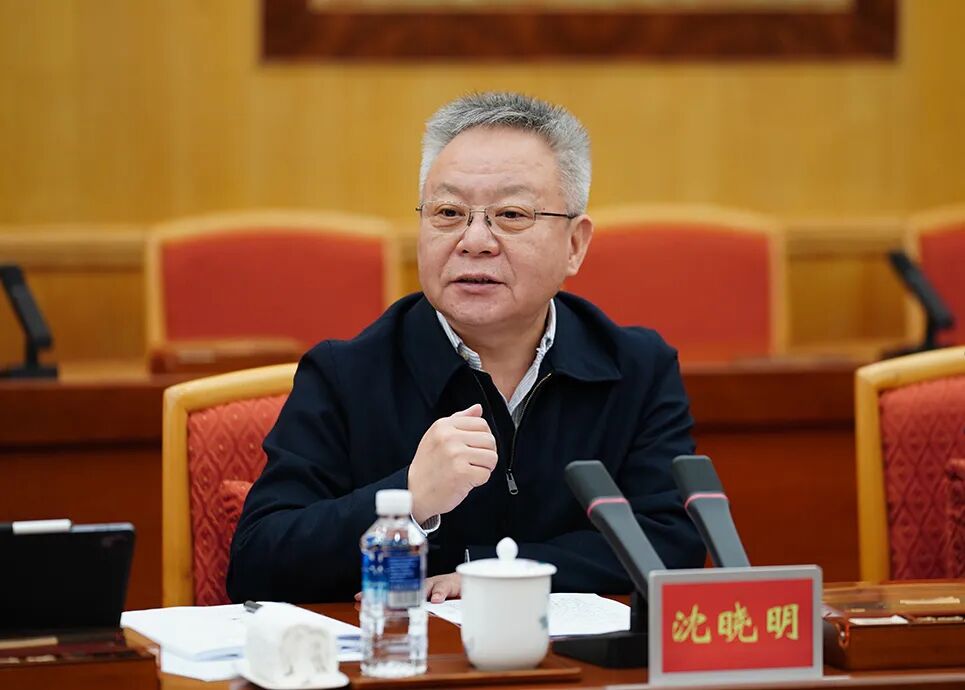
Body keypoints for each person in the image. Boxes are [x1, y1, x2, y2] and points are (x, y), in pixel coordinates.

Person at [227, 92, 705, 604]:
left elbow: (672, 542)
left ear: (575, 244)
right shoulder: (345, 374)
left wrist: (490, 571)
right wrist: (410, 498)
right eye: (449, 212)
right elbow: (257, 564)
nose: (474, 240)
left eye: (512, 214)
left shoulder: (636, 369)